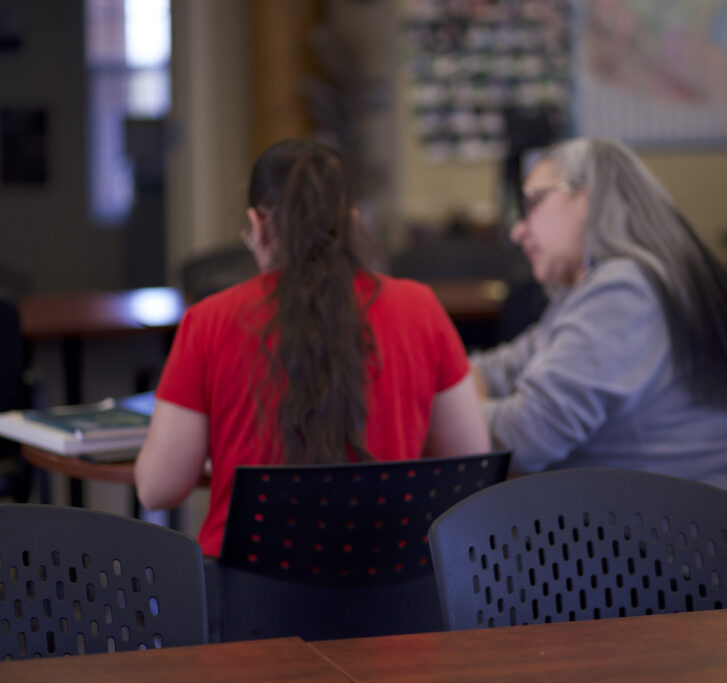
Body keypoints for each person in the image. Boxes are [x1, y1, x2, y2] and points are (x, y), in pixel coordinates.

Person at [136, 139, 489, 556]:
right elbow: (470, 464)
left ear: (258, 224)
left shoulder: (209, 322)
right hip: (393, 600)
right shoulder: (420, 309)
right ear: (353, 221)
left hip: (251, 600)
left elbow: (158, 488)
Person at [471, 138, 727, 489]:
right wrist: (464, 390)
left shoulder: (624, 292)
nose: (518, 231)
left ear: (588, 200)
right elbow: (502, 367)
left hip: (671, 528)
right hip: (672, 511)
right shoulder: (610, 284)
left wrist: (450, 405)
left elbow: (522, 442)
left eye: (532, 202)